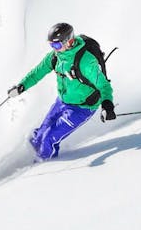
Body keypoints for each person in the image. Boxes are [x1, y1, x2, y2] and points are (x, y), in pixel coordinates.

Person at [7, 23, 116, 162]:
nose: (54, 49)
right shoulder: (56, 56)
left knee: (48, 138)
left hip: (82, 108)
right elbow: (38, 72)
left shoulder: (86, 62)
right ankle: (29, 159)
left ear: (69, 42)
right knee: (39, 137)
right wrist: (22, 86)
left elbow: (104, 85)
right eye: (51, 45)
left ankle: (41, 166)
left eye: (57, 45)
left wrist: (107, 105)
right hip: (62, 101)